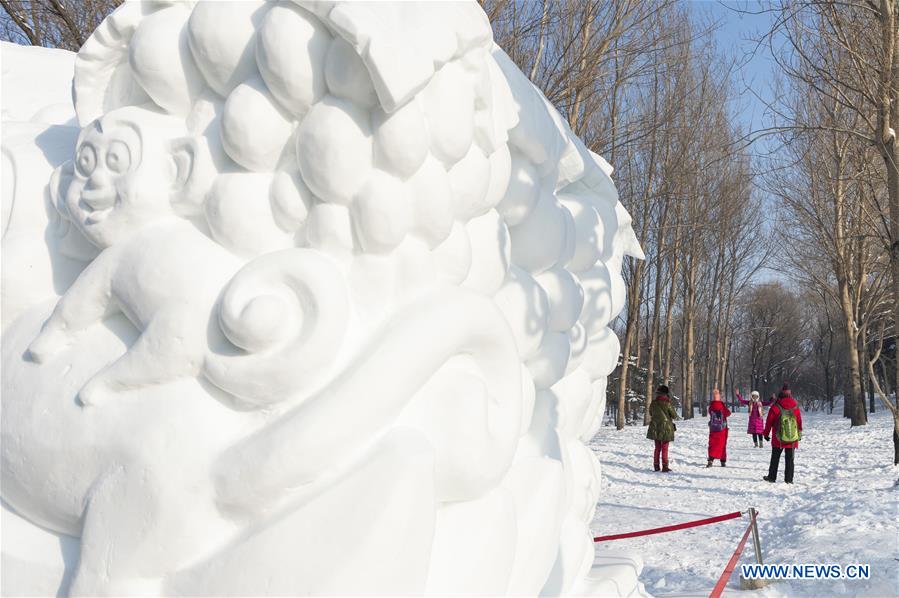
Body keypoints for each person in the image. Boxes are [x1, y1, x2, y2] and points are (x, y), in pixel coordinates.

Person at [763, 384, 803, 484]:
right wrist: (799, 432)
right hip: (792, 437)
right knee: (790, 459)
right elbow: (799, 421)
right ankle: (789, 479)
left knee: (775, 457)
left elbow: (769, 422)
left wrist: (766, 434)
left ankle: (772, 477)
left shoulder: (776, 406)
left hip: (778, 438)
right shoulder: (795, 406)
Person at [647, 385, 679, 472]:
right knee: (665, 448)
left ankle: (656, 466)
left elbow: (650, 413)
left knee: (657, 448)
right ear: (666, 394)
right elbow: (674, 415)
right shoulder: (667, 403)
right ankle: (665, 466)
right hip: (666, 428)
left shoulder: (653, 403)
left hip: (655, 427)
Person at [707, 389, 731, 467]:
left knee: (712, 444)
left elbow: (710, 412)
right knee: (722, 444)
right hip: (722, 429)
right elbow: (728, 413)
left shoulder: (711, 406)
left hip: (714, 428)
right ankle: (722, 460)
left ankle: (710, 460)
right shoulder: (721, 405)